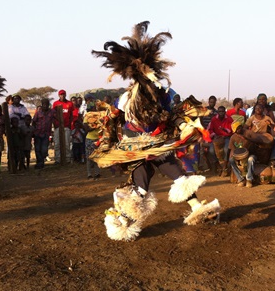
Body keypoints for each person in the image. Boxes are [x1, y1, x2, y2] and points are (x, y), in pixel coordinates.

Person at [90, 20, 220, 241]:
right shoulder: (127, 97)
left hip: (158, 144)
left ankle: (198, 208)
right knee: (140, 190)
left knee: (179, 177)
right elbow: (113, 118)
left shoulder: (164, 93)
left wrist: (185, 127)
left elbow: (175, 114)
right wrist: (108, 140)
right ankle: (121, 221)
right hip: (136, 148)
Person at [207, 105, 234, 177]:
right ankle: (218, 166)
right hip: (216, 137)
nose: (221, 113)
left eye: (222, 111)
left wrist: (224, 130)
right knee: (211, 151)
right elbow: (210, 129)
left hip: (226, 137)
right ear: (217, 112)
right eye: (219, 111)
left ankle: (225, 167)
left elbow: (232, 130)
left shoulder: (229, 119)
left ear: (225, 112)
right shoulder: (214, 119)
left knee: (226, 149)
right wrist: (214, 135)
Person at [228, 122, 255, 188]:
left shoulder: (249, 133)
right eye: (235, 130)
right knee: (231, 160)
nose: (237, 131)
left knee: (251, 159)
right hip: (238, 156)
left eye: (238, 129)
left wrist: (248, 140)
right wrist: (232, 157)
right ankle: (240, 179)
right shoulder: (233, 137)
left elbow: (255, 142)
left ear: (241, 127)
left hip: (251, 154)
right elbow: (232, 150)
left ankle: (249, 179)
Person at [52, 89, 74, 164]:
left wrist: (70, 124)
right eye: (61, 94)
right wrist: (54, 124)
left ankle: (67, 159)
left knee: (67, 143)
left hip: (66, 126)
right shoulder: (55, 103)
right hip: (58, 126)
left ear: (65, 95)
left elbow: (71, 115)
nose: (62, 96)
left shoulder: (70, 103)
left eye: (63, 94)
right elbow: (53, 115)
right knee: (57, 144)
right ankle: (57, 159)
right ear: (59, 95)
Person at [32, 98, 55, 170]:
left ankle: (41, 162)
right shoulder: (38, 113)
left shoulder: (51, 112)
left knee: (44, 149)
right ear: (42, 105)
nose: (45, 106)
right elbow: (34, 122)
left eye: (47, 104)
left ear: (48, 105)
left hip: (46, 134)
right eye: (44, 104)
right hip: (38, 133)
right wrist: (33, 131)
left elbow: (57, 114)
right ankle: (40, 162)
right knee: (37, 149)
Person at [199, 95, 219, 173]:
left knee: (211, 150)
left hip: (212, 134)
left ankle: (213, 167)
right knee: (202, 151)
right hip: (203, 133)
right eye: (211, 102)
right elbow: (200, 120)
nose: (212, 103)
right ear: (208, 102)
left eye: (213, 102)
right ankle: (203, 166)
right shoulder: (204, 110)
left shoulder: (216, 112)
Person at [83, 103, 102, 180]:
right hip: (90, 139)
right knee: (89, 157)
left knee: (97, 157)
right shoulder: (86, 117)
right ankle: (89, 174)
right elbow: (87, 129)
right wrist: (97, 126)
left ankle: (97, 173)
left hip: (97, 138)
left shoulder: (99, 116)